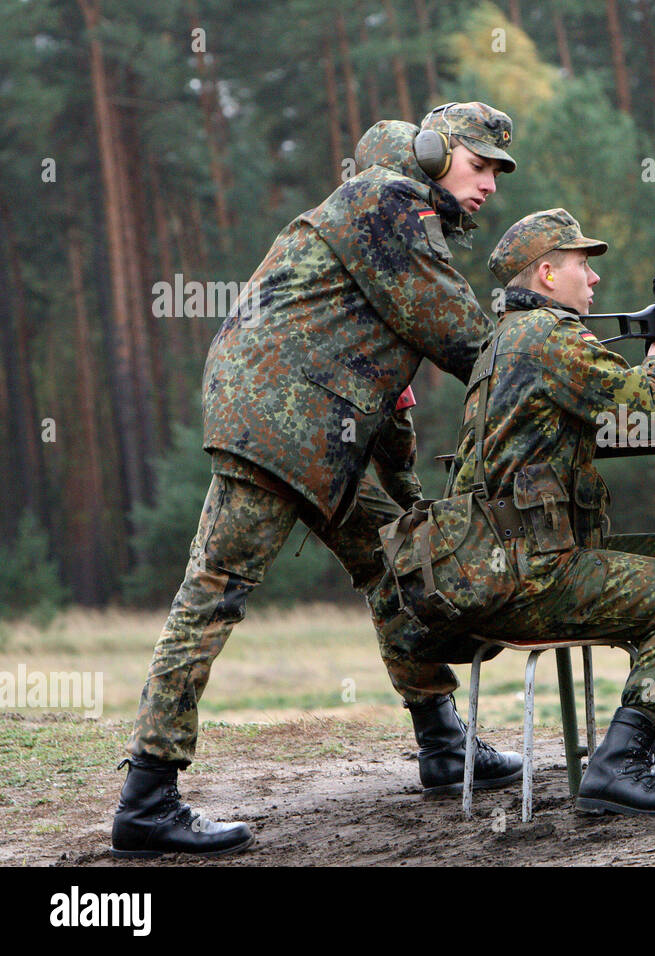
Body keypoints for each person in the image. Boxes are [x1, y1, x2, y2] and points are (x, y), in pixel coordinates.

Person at [112, 103, 525, 859]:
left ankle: (441, 743)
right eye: (479, 164)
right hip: (282, 426)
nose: (491, 184)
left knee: (395, 561)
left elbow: (395, 397)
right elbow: (464, 339)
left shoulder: (394, 227)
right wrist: (554, 368)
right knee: (214, 594)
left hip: (317, 429)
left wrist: (410, 500)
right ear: (433, 155)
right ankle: (147, 797)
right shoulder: (389, 205)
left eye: (500, 172)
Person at [439, 208, 655, 818]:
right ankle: (618, 764)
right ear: (547, 273)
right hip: (531, 576)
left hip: (497, 563)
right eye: (582, 264)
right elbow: (637, 409)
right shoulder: (549, 337)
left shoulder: (507, 340)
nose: (593, 280)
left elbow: (605, 424)